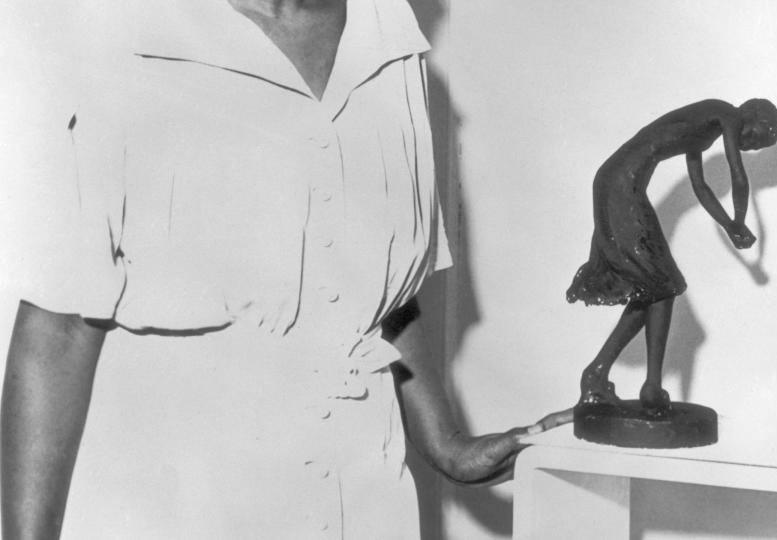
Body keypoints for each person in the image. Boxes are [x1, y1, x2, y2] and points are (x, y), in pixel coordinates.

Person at [0, 1, 569, 538]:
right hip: (181, 502)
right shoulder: (136, 37)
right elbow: (58, 327)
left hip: (363, 500)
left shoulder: (389, 39)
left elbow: (380, 287)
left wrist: (443, 441)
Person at [566, 98, 777, 412]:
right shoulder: (726, 114)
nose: (750, 145)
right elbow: (738, 177)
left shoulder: (703, 127)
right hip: (621, 186)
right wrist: (739, 220)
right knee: (664, 286)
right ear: (752, 115)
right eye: (757, 137)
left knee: (658, 290)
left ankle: (620, 379)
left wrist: (729, 226)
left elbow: (701, 187)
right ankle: (628, 380)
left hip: (616, 181)